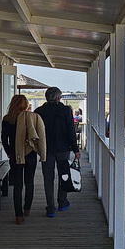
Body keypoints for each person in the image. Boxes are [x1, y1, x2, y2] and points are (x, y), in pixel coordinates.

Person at [34, 87, 80, 217]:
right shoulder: (65, 110)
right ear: (59, 98)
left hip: (46, 149)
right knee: (64, 175)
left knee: (48, 178)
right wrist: (76, 150)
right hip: (63, 149)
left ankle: (50, 208)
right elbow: (71, 131)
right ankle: (62, 201)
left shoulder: (39, 111)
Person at [1, 95, 46, 224]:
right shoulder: (32, 118)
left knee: (18, 185)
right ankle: (27, 208)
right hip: (30, 153)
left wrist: (10, 153)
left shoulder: (7, 119)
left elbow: (4, 139)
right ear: (26, 104)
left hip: (16, 155)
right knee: (29, 182)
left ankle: (18, 215)